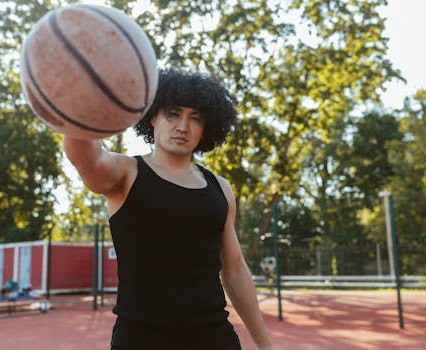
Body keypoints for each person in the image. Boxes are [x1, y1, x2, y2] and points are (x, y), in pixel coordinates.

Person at [63, 67, 273, 350]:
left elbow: (234, 271)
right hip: (141, 339)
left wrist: (265, 345)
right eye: (172, 114)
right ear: (152, 117)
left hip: (214, 338)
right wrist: (80, 101)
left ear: (206, 128)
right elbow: (84, 158)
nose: (183, 126)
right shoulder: (126, 173)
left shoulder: (220, 188)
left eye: (195, 118)